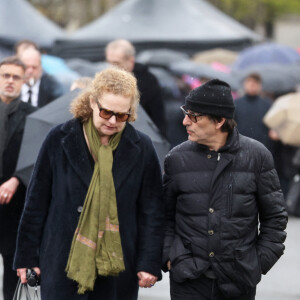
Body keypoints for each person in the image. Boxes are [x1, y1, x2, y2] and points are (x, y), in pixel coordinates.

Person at [13, 67, 164, 300]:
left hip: (116, 265)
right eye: (106, 112)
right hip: (61, 260)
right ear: (92, 102)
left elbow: (152, 211)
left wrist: (149, 261)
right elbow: (36, 202)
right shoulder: (59, 138)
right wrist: (26, 257)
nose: (113, 121)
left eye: (122, 115)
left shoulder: (141, 147)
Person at [162, 79, 287, 300]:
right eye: (185, 113)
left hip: (237, 280)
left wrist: (256, 264)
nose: (185, 121)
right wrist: (171, 256)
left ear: (219, 120)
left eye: (193, 116)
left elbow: (275, 218)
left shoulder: (257, 156)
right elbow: (164, 215)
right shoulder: (176, 158)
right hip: (188, 278)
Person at [0, 56, 36, 300]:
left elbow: (35, 157)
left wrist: (15, 179)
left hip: (15, 201)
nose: (10, 81)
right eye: (5, 75)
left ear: (24, 81)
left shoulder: (33, 116)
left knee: (13, 262)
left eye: (16, 77)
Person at [105, 39, 167, 137]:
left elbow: (155, 118)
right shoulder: (107, 78)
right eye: (109, 62)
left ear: (131, 60)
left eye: (116, 63)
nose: (112, 67)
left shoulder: (147, 81)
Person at [234, 73, 274, 152]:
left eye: (255, 82)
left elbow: (271, 127)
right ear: (245, 84)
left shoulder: (267, 105)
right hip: (241, 147)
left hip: (262, 147)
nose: (252, 84)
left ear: (260, 86)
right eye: (249, 82)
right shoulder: (236, 104)